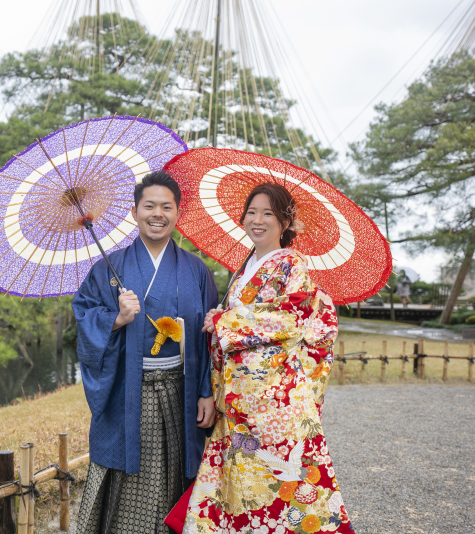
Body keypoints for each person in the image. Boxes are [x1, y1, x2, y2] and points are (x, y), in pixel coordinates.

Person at [182, 183, 355, 534]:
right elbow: (246, 319)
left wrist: (225, 321)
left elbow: (291, 318)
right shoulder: (245, 268)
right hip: (238, 398)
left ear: (285, 223)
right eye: (251, 212)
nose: (257, 220)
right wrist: (221, 316)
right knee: (242, 487)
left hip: (274, 404)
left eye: (268, 214)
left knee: (279, 484)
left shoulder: (292, 264)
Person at [72, 171, 219, 534]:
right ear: (135, 211)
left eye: (166, 207)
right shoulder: (111, 268)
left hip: (181, 393)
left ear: (177, 213)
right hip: (127, 390)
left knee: (178, 470)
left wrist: (206, 392)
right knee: (129, 473)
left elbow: (207, 341)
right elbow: (84, 316)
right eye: (149, 205)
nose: (158, 214)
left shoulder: (196, 270)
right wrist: (117, 319)